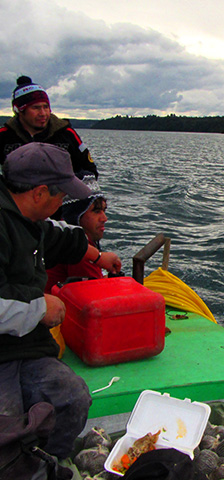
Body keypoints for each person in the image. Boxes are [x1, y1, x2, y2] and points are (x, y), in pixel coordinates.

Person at [0, 143, 121, 468]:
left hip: (26, 346)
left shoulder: (32, 218)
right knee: (6, 430)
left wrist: (98, 255)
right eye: (61, 195)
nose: (63, 202)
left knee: (73, 398)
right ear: (39, 193)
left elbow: (62, 234)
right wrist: (40, 308)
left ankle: (45, 464)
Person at [0, 76, 98, 177]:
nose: (43, 113)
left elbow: (91, 171)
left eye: (46, 107)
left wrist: (64, 184)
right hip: (16, 191)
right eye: (36, 108)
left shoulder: (66, 133)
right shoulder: (4, 136)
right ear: (18, 110)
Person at [45, 172, 109, 293]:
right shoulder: (80, 251)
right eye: (96, 211)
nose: (104, 218)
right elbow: (96, 295)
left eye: (104, 210)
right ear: (76, 216)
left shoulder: (61, 237)